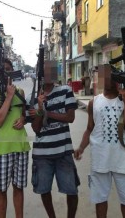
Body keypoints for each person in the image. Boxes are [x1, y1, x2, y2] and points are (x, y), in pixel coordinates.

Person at [74, 64, 125, 218]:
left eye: (110, 75)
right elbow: (90, 128)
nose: (107, 80)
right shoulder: (94, 102)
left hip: (124, 160)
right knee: (100, 200)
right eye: (103, 76)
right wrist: (81, 147)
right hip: (100, 158)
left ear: (117, 78)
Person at [27, 61, 80, 218]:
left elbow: (70, 117)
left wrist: (47, 114)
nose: (49, 74)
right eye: (45, 71)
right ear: (40, 74)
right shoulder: (35, 98)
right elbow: (36, 129)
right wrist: (39, 109)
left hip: (63, 151)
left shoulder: (65, 91)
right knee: (44, 189)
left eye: (52, 71)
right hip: (42, 154)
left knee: (72, 190)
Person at [0, 59, 30, 218]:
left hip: (21, 145)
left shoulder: (20, 91)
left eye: (8, 69)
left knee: (19, 188)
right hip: (2, 148)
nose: (6, 73)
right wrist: (8, 96)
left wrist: (23, 120)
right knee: (2, 189)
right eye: (3, 70)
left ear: (13, 71)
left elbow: (23, 115)